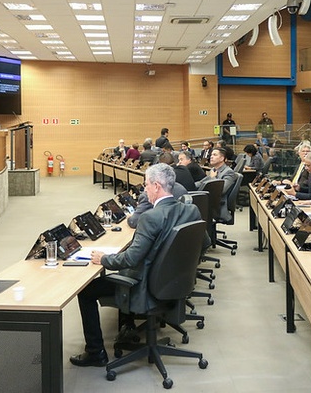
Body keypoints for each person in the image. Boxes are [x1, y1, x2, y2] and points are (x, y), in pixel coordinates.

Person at [69, 164, 204, 367]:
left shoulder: (151, 217)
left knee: (87, 291)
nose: (144, 190)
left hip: (146, 287)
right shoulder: (191, 210)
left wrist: (103, 259)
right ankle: (126, 326)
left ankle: (95, 352)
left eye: (146, 185)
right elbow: (206, 242)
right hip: (175, 281)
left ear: (156, 186)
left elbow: (131, 259)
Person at [195, 147, 238, 221]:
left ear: (222, 158)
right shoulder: (214, 169)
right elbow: (202, 182)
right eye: (211, 154)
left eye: (214, 155)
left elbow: (222, 190)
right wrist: (188, 185)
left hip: (217, 205)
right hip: (209, 200)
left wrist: (213, 177)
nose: (211, 156)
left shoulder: (228, 172)